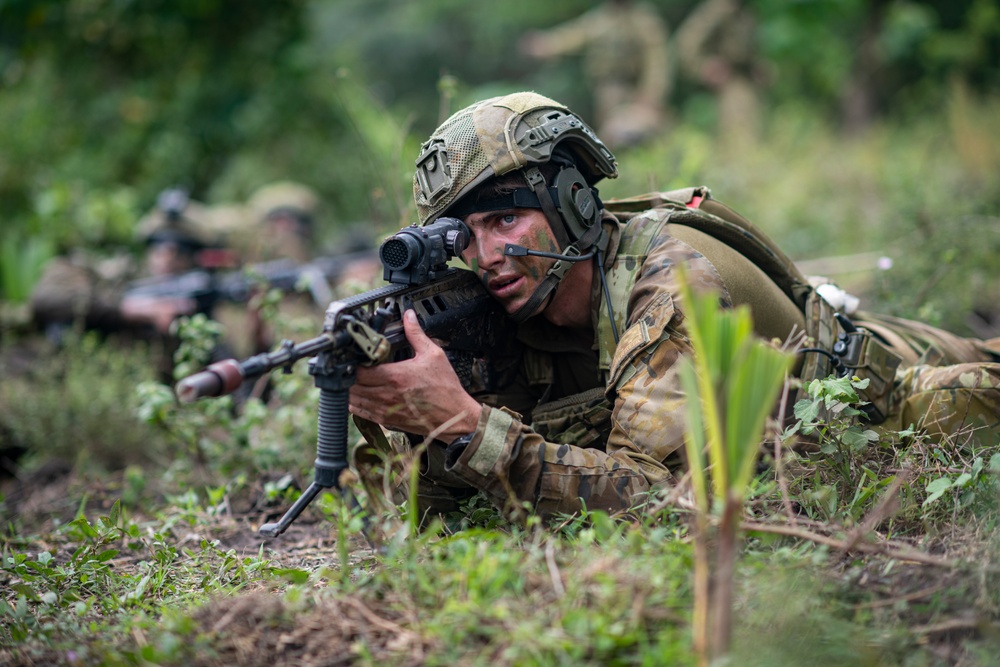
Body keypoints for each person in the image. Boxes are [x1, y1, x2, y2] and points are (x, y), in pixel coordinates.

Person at [347, 92, 999, 522]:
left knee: (973, 391)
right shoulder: (502, 311)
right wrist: (419, 421)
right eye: (467, 235)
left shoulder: (665, 277)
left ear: (573, 201)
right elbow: (427, 520)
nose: (486, 255)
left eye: (505, 219)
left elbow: (665, 503)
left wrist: (469, 427)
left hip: (872, 382)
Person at [519, 0, 672, 149]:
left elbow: (657, 62)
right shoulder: (602, 18)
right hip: (607, 90)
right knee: (610, 139)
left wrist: (651, 95)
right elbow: (574, 34)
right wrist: (547, 44)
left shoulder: (644, 21)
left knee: (638, 136)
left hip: (635, 92)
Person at [674, 0, 768, 151]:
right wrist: (704, 67)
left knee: (752, 132)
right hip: (728, 82)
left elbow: (744, 49)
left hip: (744, 79)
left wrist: (756, 66)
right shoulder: (719, 8)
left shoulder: (745, 11)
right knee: (737, 138)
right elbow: (686, 44)